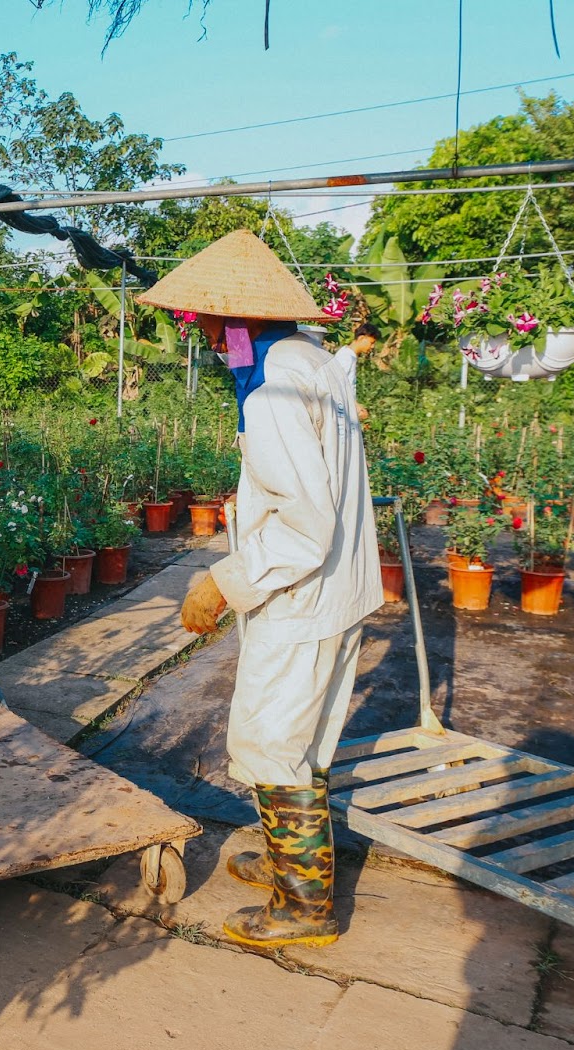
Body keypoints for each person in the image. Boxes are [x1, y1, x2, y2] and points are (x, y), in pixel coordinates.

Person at [137, 228, 382, 950]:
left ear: (234, 320)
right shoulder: (307, 358)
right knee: (303, 738)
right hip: (336, 589)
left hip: (302, 594)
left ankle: (306, 908)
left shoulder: (274, 388)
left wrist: (223, 580)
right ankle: (288, 861)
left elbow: (305, 522)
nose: (203, 333)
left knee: (270, 740)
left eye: (207, 321)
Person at [330, 321, 379, 422]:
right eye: (371, 342)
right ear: (361, 338)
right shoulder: (346, 357)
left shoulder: (349, 355)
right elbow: (338, 384)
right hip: (340, 408)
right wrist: (354, 406)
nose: (372, 347)